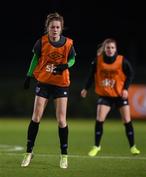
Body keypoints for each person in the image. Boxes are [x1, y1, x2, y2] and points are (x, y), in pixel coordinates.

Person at [21, 12, 76, 168]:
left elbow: (72, 59)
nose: (55, 29)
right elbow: (35, 59)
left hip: (61, 84)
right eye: (52, 27)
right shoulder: (41, 42)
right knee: (36, 117)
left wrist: (66, 65)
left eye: (58, 27)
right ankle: (28, 153)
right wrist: (28, 76)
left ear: (61, 28)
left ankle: (64, 155)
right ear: (48, 28)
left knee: (61, 120)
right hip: (44, 82)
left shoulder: (68, 43)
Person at [81, 38, 140, 156]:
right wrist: (85, 88)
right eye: (108, 47)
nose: (110, 50)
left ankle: (133, 146)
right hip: (105, 95)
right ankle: (96, 146)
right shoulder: (98, 60)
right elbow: (91, 75)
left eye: (112, 47)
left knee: (127, 121)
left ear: (116, 49)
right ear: (104, 49)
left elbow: (131, 74)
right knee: (99, 120)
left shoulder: (121, 60)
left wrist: (125, 89)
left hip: (119, 95)